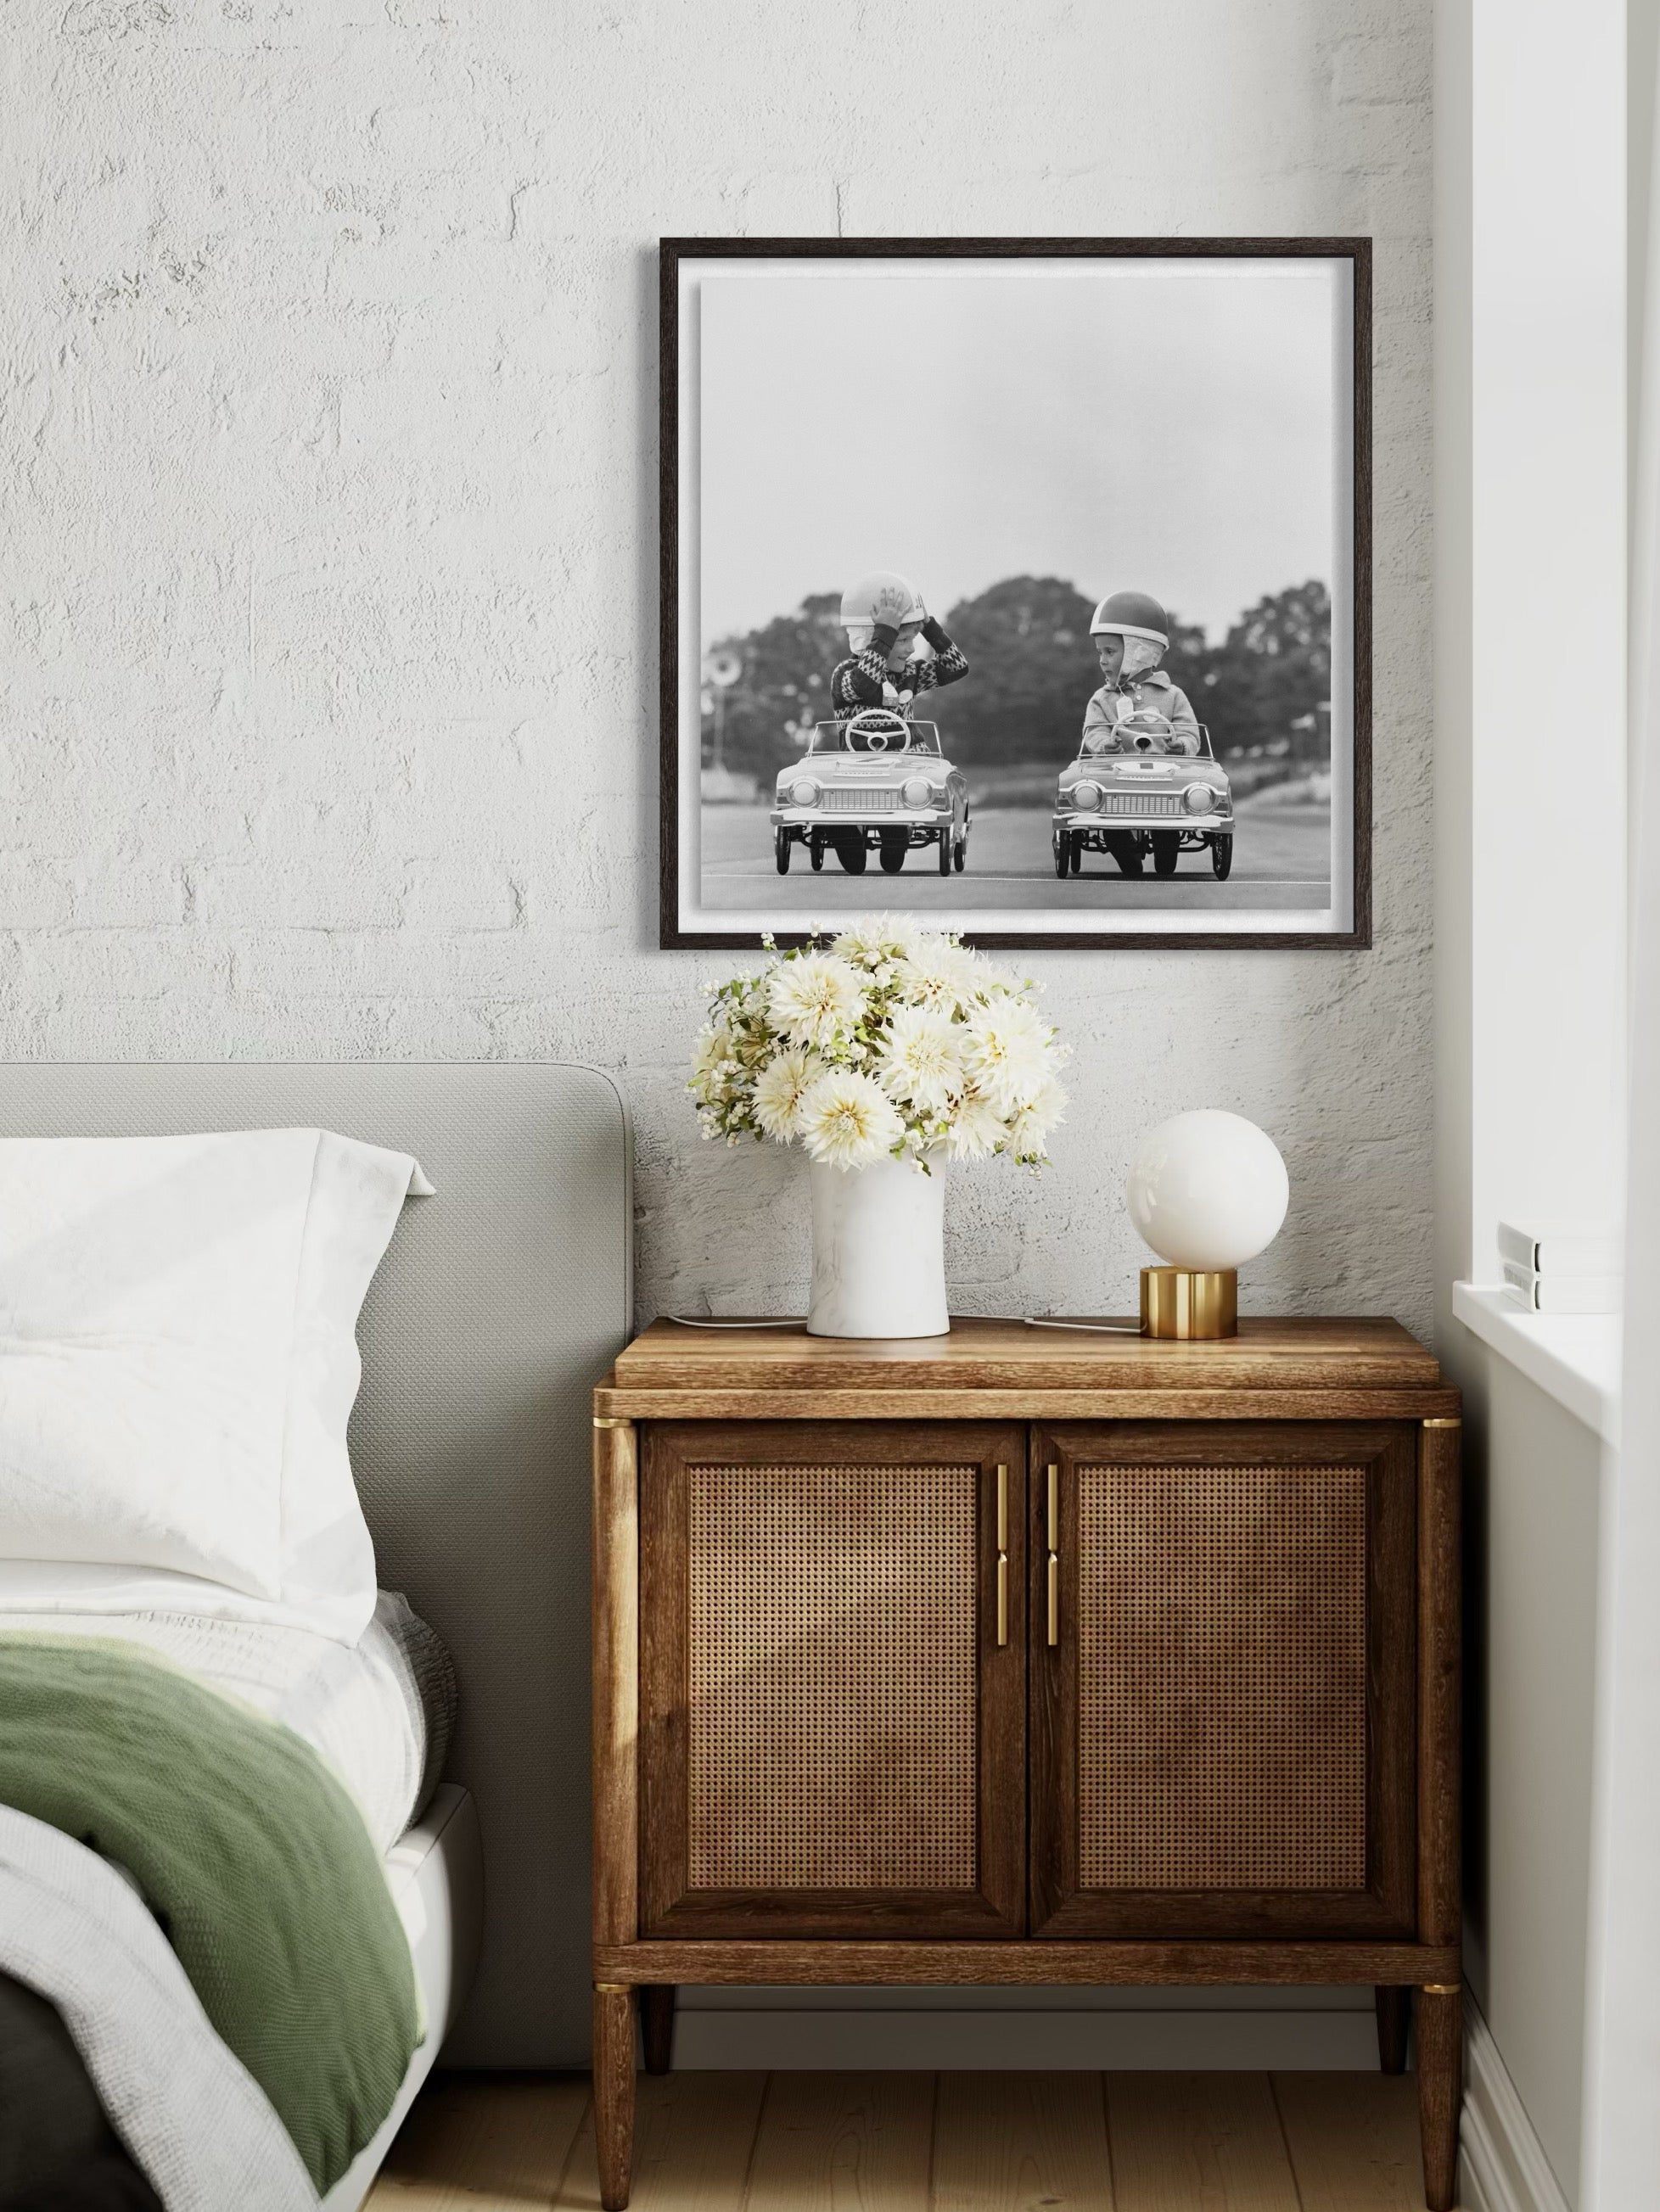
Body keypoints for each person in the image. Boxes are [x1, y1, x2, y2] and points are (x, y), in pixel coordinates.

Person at [831, 570, 968, 737]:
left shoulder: (910, 673)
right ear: (871, 639)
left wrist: (929, 626)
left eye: (912, 639)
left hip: (910, 761)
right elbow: (864, 685)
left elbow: (957, 668)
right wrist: (885, 633)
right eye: (903, 640)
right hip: (859, 763)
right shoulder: (844, 674)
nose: (911, 649)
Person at [1080, 590, 1201, 758]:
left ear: (1139, 652)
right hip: (1114, 771)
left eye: (1109, 651)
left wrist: (1182, 746)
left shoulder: (1173, 695)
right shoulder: (1102, 698)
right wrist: (1103, 745)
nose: (1102, 660)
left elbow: (1189, 733)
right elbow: (1095, 731)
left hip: (1168, 774)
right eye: (1100, 652)